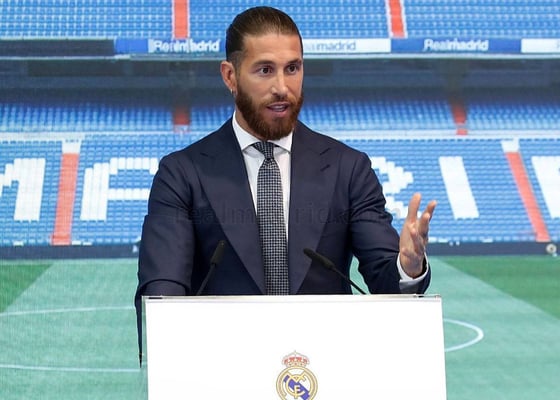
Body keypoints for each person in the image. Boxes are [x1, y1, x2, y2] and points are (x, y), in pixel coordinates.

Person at [135, 5, 436, 344]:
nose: (282, 87)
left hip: (323, 365)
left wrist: (408, 267)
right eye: (265, 70)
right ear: (230, 76)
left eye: (292, 68)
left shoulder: (348, 169)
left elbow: (386, 282)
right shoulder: (182, 174)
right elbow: (163, 293)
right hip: (223, 363)